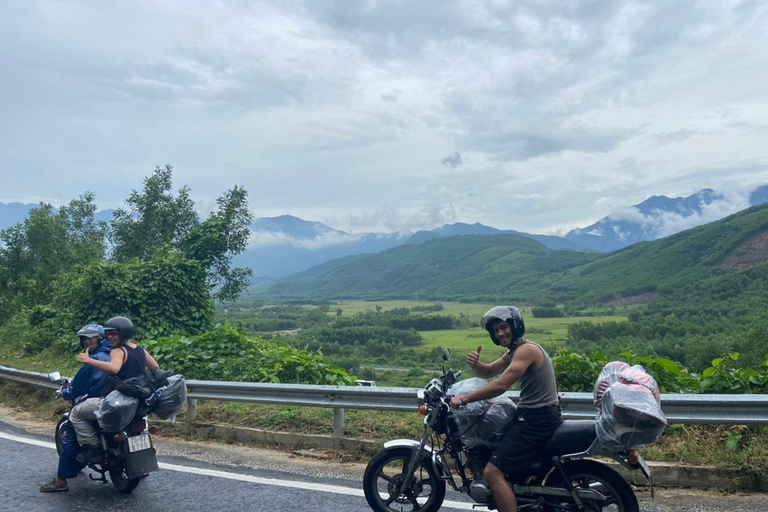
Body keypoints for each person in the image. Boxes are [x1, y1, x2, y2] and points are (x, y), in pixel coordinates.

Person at [449, 306, 562, 512]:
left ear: (515, 326)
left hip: (537, 420)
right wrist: (476, 364)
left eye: (503, 327)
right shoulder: (513, 352)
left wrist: (464, 399)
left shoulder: (527, 350)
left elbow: (501, 385)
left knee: (493, 472)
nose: (500, 333)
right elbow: (488, 372)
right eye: (496, 331)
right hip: (535, 416)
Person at [69, 316, 159, 464]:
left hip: (118, 401)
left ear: (124, 333)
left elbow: (114, 368)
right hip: (138, 402)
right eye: (108, 333)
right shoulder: (141, 350)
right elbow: (155, 368)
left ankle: (93, 449)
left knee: (76, 413)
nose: (110, 337)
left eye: (114, 333)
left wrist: (88, 360)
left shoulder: (118, 351)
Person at [40, 324, 111, 493]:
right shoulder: (116, 353)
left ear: (100, 339)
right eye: (85, 339)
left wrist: (66, 393)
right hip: (117, 401)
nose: (87, 342)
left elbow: (78, 388)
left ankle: (60, 480)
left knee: (71, 429)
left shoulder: (92, 361)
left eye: (91, 338)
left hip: (96, 401)